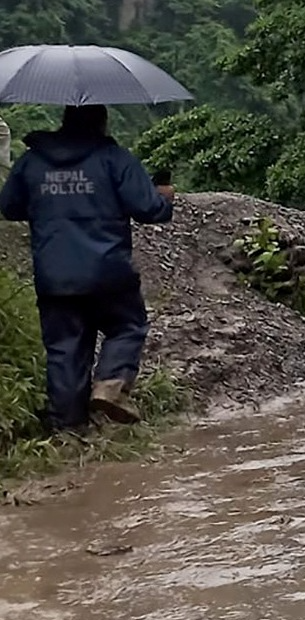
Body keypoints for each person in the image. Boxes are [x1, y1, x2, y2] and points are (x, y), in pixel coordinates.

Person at [0, 105, 175, 430]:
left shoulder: (31, 162)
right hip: (109, 272)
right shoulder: (115, 160)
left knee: (65, 350)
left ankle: (68, 433)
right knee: (127, 326)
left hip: (55, 277)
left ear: (64, 121)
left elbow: (9, 207)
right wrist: (164, 197)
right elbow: (149, 209)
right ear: (102, 122)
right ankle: (110, 383)